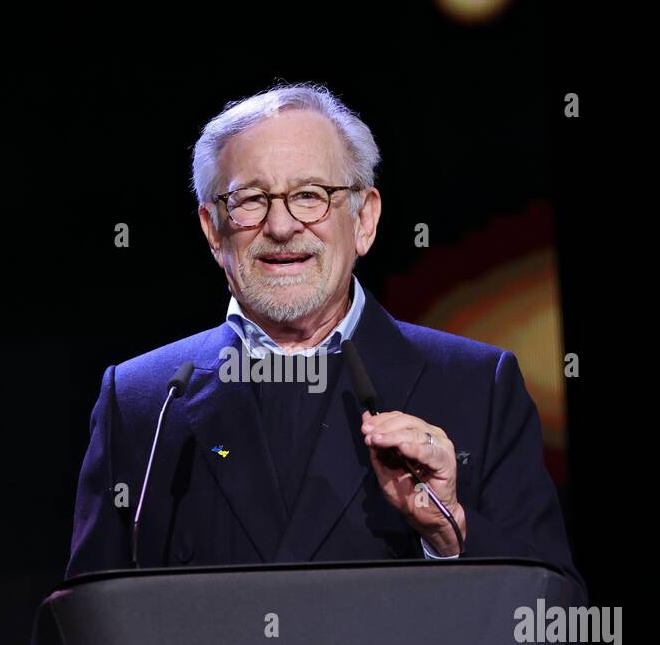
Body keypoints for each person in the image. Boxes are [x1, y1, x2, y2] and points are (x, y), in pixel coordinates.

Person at [65, 82, 576, 585]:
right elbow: (82, 641)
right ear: (212, 229)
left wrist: (450, 534)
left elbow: (552, 620)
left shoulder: (477, 387)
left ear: (364, 220)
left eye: (310, 195)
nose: (282, 226)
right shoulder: (140, 404)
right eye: (250, 199)